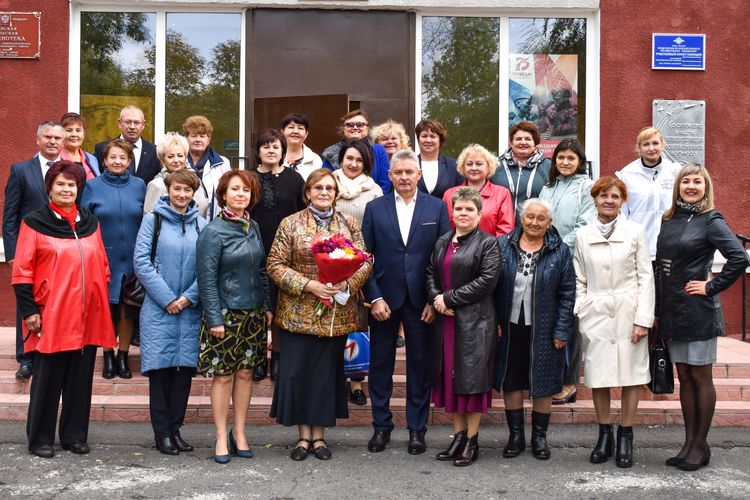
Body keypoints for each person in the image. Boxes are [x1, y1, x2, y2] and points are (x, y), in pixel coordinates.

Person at [267, 168, 373, 461]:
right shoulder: (290, 224)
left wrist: (345, 283)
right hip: (298, 314)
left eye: (329, 188)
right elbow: (274, 264)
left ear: (336, 193)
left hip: (335, 315)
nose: (324, 192)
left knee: (326, 377)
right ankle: (303, 438)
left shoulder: (349, 224)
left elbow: (365, 261)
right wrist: (309, 285)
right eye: (318, 188)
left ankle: (320, 437)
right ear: (308, 192)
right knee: (299, 375)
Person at [12, 160, 116, 458]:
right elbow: (22, 271)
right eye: (60, 184)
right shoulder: (34, 221)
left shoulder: (89, 222)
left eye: (72, 184)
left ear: (78, 188)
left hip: (87, 317)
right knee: (47, 382)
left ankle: (73, 436)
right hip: (52, 315)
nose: (66, 189)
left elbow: (102, 266)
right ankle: (40, 439)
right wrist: (30, 310)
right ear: (50, 188)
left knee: (79, 382)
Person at [656, 163, 749, 471]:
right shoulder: (669, 218)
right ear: (678, 187)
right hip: (672, 309)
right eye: (686, 181)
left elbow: (739, 257)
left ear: (706, 187)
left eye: (698, 181)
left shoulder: (712, 219)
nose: (691, 186)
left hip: (697, 312)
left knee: (699, 377)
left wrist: (711, 286)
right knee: (684, 378)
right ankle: (688, 443)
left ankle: (700, 446)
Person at [362, 149, 451, 455]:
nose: (403, 177)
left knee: (420, 365)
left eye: (409, 172)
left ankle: (417, 429)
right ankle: (381, 427)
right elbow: (365, 258)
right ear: (390, 176)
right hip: (384, 300)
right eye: (398, 172)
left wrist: (434, 298)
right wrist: (373, 296)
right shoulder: (375, 208)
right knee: (380, 366)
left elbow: (442, 258)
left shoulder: (437, 208)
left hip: (421, 300)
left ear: (419, 174)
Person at [573, 176, 655, 468]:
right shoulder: (583, 235)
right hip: (595, 312)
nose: (609, 200)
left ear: (623, 201)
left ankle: (626, 435)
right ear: (594, 199)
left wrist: (642, 319)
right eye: (603, 195)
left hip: (628, 310)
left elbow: (646, 277)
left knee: (631, 375)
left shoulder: (635, 232)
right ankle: (604, 433)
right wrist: (582, 309)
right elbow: (579, 277)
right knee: (599, 376)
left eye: (615, 196)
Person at [196, 170, 272, 464]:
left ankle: (239, 432)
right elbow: (206, 278)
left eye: (246, 191)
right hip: (224, 314)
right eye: (235, 190)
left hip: (252, 313)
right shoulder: (213, 231)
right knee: (224, 376)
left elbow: (262, 271)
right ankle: (219, 434)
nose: (241, 195)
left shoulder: (252, 227)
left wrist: (266, 306)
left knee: (245, 374)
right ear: (224, 194)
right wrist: (214, 318)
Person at [494, 198, 575, 460]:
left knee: (544, 380)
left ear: (549, 222)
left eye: (541, 218)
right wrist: (494, 321)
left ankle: (539, 438)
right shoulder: (503, 245)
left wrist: (562, 330)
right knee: (512, 379)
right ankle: (515, 436)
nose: (535, 222)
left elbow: (567, 294)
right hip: (509, 326)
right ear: (521, 218)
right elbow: (492, 286)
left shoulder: (559, 251)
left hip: (545, 327)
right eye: (530, 216)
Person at [425, 187, 500, 466]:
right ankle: (457, 437)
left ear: (479, 214)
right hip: (446, 322)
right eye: (459, 209)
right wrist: (436, 299)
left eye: (470, 209)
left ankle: (472, 440)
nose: (464, 213)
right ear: (452, 212)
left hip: (474, 323)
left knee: (472, 382)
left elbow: (486, 282)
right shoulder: (443, 240)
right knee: (452, 381)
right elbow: (431, 272)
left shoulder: (488, 244)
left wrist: (448, 298)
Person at [134, 169, 207, 456]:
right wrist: (167, 299)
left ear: (194, 193)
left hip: (189, 311)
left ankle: (176, 430)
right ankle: (161, 433)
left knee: (183, 376)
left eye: (187, 190)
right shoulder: (153, 221)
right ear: (168, 189)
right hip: (159, 310)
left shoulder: (202, 224)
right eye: (177, 189)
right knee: (161, 374)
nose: (182, 194)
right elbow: (141, 262)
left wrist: (188, 298)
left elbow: (207, 266)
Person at [3, 121, 65, 380]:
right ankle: (26, 358)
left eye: (57, 138)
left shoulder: (69, 171)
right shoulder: (20, 170)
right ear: (38, 140)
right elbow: (10, 217)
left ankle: (48, 353)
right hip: (29, 253)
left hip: (60, 252)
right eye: (47, 137)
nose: (52, 141)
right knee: (27, 304)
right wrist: (12, 254)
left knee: (54, 303)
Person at [81, 139, 146, 380]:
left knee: (127, 310)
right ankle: (108, 353)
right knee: (105, 309)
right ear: (104, 161)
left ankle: (123, 354)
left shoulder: (140, 185)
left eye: (123, 158)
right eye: (113, 157)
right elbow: (84, 222)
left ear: (129, 161)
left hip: (132, 257)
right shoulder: (92, 186)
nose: (118, 161)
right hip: (102, 256)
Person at [539, 138, 596, 405]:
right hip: (546, 260)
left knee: (569, 324)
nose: (565, 162)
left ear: (580, 162)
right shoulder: (547, 187)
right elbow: (539, 219)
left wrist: (557, 247)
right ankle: (550, 378)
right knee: (550, 322)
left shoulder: (587, 187)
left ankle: (569, 382)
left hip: (571, 262)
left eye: (571, 158)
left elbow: (585, 225)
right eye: (561, 157)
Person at [249, 129, 306, 381]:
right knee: (261, 304)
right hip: (254, 251)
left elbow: (304, 212)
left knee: (283, 304)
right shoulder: (248, 178)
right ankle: (259, 356)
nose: (271, 150)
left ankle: (279, 357)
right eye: (266, 146)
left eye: (276, 146)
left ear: (283, 150)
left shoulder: (294, 179)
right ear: (258, 151)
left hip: (288, 254)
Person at [331, 140, 384, 406]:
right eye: (349, 158)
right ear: (341, 159)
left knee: (357, 324)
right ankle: (335, 379)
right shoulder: (329, 184)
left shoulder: (373, 190)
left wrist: (362, 262)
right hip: (328, 263)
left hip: (359, 264)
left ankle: (356, 382)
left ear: (366, 165)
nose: (353, 164)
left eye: (359, 161)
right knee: (332, 324)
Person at [615, 127, 681, 260]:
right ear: (639, 148)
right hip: (639, 247)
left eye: (655, 143)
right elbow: (622, 214)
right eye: (646, 144)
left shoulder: (675, 171)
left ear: (662, 145)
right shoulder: (627, 175)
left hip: (670, 246)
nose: (651, 148)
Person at [442, 144, 513, 237]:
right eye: (469, 164)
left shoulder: (502, 194)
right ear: (463, 167)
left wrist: (488, 249)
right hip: (457, 250)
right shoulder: (449, 194)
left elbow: (505, 231)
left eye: (479, 164)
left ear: (489, 167)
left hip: (490, 250)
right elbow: (445, 229)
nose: (474, 168)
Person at [489, 121, 551, 221]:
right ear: (511, 142)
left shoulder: (548, 166)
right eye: (518, 139)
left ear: (535, 143)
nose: (523, 142)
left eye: (528, 139)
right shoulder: (495, 165)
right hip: (500, 230)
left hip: (534, 230)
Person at [321, 109, 391, 192]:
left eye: (360, 124)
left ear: (367, 128)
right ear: (343, 129)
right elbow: (326, 183)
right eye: (349, 125)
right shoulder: (330, 153)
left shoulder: (378, 150)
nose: (355, 127)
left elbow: (385, 184)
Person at [143, 132, 208, 215]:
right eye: (170, 156)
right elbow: (149, 218)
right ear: (162, 160)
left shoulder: (196, 180)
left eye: (180, 155)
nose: (176, 160)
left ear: (185, 157)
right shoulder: (157, 185)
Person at [94, 105, 161, 185]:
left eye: (136, 122)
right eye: (128, 122)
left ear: (143, 125)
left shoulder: (155, 152)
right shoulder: (102, 148)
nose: (132, 127)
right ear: (119, 123)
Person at [183, 115, 232, 220]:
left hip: (214, 222)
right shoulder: (179, 162)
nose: (198, 140)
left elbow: (228, 195)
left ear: (208, 140)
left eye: (202, 136)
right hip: (184, 222)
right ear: (186, 138)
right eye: (194, 135)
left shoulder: (223, 164)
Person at [415, 119, 463, 200]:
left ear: (440, 140)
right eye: (424, 136)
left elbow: (462, 195)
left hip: (445, 212)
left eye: (433, 136)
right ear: (418, 139)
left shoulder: (453, 166)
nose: (428, 140)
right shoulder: (410, 164)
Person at [279, 113, 323, 180]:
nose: (296, 131)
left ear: (306, 134)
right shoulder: (273, 156)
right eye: (291, 127)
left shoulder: (315, 160)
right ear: (282, 132)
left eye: (300, 128)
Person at [59, 112, 100, 179]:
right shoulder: (53, 157)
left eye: (78, 130)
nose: (74, 134)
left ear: (84, 134)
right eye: (69, 130)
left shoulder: (92, 159)